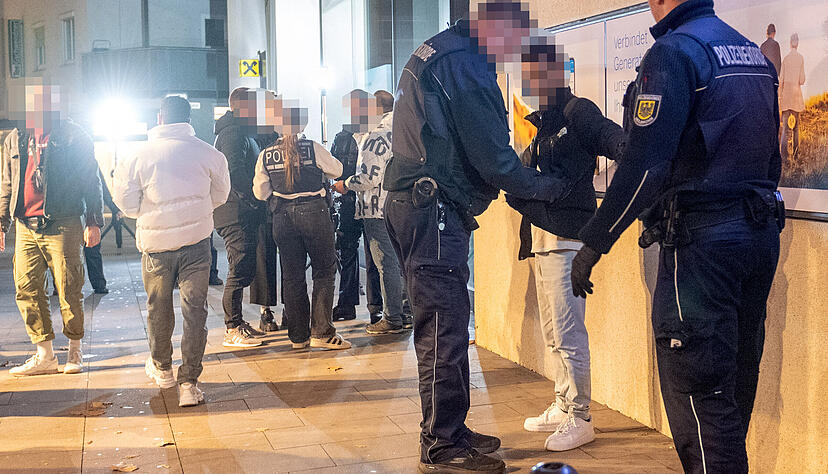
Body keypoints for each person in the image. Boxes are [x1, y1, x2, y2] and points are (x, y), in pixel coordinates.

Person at [570, 0, 783, 472]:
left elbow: (646, 164)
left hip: (702, 249)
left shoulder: (674, 53)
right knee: (730, 395)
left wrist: (594, 242)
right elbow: (773, 160)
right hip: (759, 235)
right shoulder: (752, 55)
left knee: (700, 398)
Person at [384, 2, 567, 471]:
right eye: (513, 39)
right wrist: (552, 187)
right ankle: (442, 445)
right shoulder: (463, 63)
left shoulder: (444, 52)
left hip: (425, 207)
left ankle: (452, 428)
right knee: (443, 328)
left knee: (448, 323)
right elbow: (493, 156)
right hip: (433, 210)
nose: (513, 52)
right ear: (493, 26)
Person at [505, 41, 625, 452]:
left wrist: (634, 153)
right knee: (553, 330)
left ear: (556, 74)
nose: (531, 83)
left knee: (569, 332)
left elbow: (613, 139)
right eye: (527, 76)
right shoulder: (545, 123)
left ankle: (580, 415)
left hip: (569, 239)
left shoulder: (578, 112)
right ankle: (562, 403)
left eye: (537, 74)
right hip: (543, 239)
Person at [112, 96, 230, 407]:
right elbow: (221, 195)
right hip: (197, 243)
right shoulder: (209, 153)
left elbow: (125, 203)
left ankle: (162, 367)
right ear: (187, 119)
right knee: (195, 312)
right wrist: (196, 211)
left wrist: (150, 214)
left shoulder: (136, 155)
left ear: (160, 118)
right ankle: (189, 383)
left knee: (158, 308)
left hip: (156, 247)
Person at [1, 81, 104, 377]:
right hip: (25, 225)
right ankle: (44, 354)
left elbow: (90, 179)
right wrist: (2, 221)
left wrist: (93, 221)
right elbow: (7, 182)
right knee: (26, 287)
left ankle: (74, 350)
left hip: (63, 222)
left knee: (69, 287)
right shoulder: (16, 137)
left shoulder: (74, 135)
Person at [253, 99, 351, 351]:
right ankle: (322, 331)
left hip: (282, 218)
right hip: (314, 213)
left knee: (292, 276)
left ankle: (298, 337)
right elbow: (337, 169)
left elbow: (261, 193)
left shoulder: (265, 155)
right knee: (323, 272)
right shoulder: (312, 148)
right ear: (301, 123)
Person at [332, 90, 407, 334]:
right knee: (397, 263)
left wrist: (345, 184)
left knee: (386, 265)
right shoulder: (402, 129)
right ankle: (405, 313)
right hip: (399, 205)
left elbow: (368, 177)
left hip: (376, 209)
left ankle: (392, 318)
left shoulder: (376, 136)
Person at [213, 87, 274, 348]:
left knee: (244, 267)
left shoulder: (240, 131)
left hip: (241, 211)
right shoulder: (232, 133)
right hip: (236, 212)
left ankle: (237, 323)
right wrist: (254, 199)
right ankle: (232, 327)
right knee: (238, 270)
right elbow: (235, 172)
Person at [330, 89, 384, 324]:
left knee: (372, 255)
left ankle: (372, 306)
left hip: (366, 201)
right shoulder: (344, 136)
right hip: (354, 202)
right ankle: (355, 305)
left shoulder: (371, 135)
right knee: (352, 253)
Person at [84, 167, 120, 295]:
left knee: (92, 249)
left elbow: (101, 188)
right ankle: (99, 285)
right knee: (92, 251)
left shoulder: (87, 160)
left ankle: (99, 284)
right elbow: (102, 188)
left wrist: (113, 208)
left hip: (86, 213)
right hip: (80, 212)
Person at [779, 33, 806, 161]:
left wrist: (779, 98)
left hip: (786, 98)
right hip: (796, 98)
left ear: (790, 43)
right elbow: (802, 80)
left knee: (785, 129)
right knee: (795, 128)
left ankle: (784, 157)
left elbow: (781, 80)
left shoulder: (785, 59)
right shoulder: (800, 58)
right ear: (798, 43)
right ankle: (795, 155)